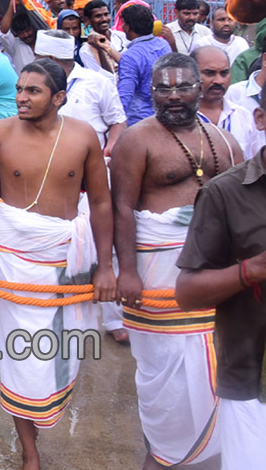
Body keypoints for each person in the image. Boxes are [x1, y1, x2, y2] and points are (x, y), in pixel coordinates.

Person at [0, 59, 117, 470]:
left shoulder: (83, 136)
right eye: (20, 89)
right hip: (13, 259)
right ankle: (29, 451)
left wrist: (105, 267)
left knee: (64, 351)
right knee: (20, 357)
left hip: (68, 256)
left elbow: (100, 201)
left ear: (59, 98)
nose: (21, 98)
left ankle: (47, 411)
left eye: (33, 91)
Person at [111, 54, 230, 468]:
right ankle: (162, 458)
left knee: (214, 373)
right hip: (158, 275)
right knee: (167, 382)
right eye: (163, 88)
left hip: (213, 275)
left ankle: (208, 457)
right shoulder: (136, 139)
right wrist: (125, 271)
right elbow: (120, 208)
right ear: (152, 92)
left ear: (201, 88)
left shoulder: (221, 139)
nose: (174, 96)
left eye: (183, 87)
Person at [175, 96, 266, 464]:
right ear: (260, 118)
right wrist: (252, 270)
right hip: (250, 382)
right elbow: (187, 293)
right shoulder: (225, 193)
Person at [194, 44, 263, 156]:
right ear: (191, 74)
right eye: (210, 73)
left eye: (224, 73)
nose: (219, 81)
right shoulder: (179, 118)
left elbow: (254, 165)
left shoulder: (244, 117)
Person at [117, 4, 174, 126]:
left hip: (139, 120)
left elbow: (125, 95)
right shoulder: (164, 45)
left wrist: (115, 124)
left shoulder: (130, 56)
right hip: (166, 114)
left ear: (128, 27)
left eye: (124, 24)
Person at [79, 0, 127, 77]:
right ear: (89, 20)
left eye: (106, 14)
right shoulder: (86, 50)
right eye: (98, 16)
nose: (104, 19)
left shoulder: (122, 36)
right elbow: (100, 77)